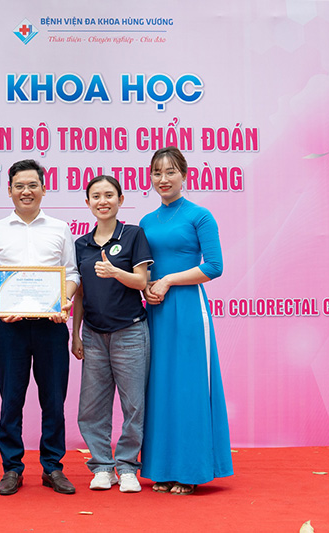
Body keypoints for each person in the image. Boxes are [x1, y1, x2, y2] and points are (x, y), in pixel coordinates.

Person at [0, 159, 79, 496]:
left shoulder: (60, 229)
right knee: (11, 400)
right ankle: (12, 468)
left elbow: (72, 273)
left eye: (32, 185)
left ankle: (52, 467)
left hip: (52, 326)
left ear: (43, 189)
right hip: (11, 328)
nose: (26, 191)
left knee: (54, 399)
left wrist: (63, 300)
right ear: (9, 190)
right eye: (19, 186)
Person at [139, 146, 234, 495]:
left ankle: (191, 470)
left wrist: (168, 280)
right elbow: (143, 268)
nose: (163, 179)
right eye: (157, 173)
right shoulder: (146, 222)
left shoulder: (200, 216)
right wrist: (148, 287)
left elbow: (214, 266)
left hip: (189, 309)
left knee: (189, 386)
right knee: (160, 387)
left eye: (170, 172)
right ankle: (162, 469)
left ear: (185, 175)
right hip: (157, 310)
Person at [71, 175, 153, 493]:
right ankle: (103, 467)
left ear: (120, 199)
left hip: (130, 332)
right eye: (96, 196)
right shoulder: (81, 245)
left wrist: (115, 271)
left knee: (134, 404)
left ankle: (128, 467)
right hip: (93, 334)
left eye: (109, 195)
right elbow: (79, 294)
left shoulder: (133, 235)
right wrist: (76, 334)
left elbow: (142, 281)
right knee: (92, 407)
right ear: (87, 202)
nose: (102, 201)